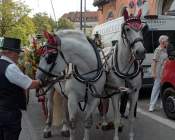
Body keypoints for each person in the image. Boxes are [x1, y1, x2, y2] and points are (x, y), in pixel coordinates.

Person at [0, 37, 43, 140]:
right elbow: (29, 84)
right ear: (9, 52)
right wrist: (41, 81)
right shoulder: (10, 67)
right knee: (11, 135)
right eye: (17, 52)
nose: (18, 55)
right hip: (9, 112)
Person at [149, 35, 169, 112]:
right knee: (156, 89)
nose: (168, 42)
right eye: (167, 41)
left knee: (163, 89)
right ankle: (151, 105)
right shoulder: (158, 50)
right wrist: (153, 73)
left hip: (165, 73)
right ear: (162, 42)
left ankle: (162, 105)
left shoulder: (165, 50)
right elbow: (153, 62)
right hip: (158, 73)